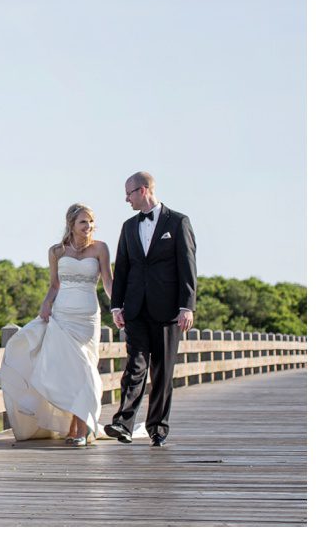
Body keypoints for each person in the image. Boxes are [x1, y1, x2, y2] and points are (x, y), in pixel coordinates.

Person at [0, 203, 112, 446]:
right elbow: (54, 285)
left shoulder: (100, 248)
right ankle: (75, 428)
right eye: (83, 222)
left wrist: (120, 308)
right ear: (71, 224)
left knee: (86, 370)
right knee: (70, 372)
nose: (88, 226)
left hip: (88, 317)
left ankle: (80, 427)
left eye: (91, 221)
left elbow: (108, 282)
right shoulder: (57, 251)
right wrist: (46, 304)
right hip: (63, 316)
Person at [104, 171, 197, 447]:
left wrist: (187, 306)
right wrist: (116, 306)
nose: (126, 199)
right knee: (134, 366)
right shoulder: (128, 226)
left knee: (162, 372)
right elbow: (121, 268)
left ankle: (157, 427)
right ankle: (124, 423)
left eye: (129, 193)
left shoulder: (178, 222)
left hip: (169, 310)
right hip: (135, 309)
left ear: (143, 190)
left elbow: (188, 266)